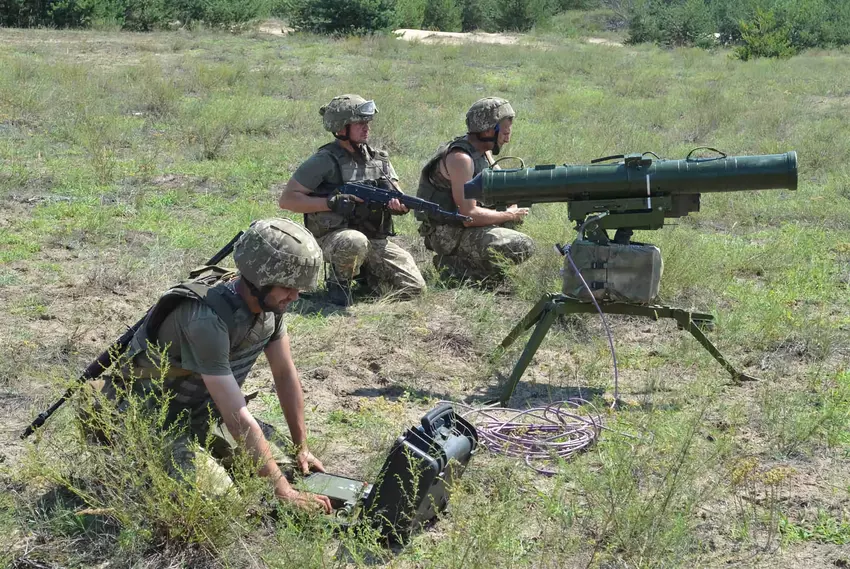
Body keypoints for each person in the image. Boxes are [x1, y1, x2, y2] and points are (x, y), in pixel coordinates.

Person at [88, 219, 332, 513]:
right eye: (287, 288)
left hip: (203, 414)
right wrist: (284, 493)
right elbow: (238, 418)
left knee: (289, 468)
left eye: (298, 289)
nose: (294, 297)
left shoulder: (270, 306)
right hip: (152, 418)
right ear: (259, 279)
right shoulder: (206, 319)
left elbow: (284, 373)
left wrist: (301, 446)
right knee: (222, 505)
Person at [278, 94, 426, 306]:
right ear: (341, 127)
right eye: (359, 123)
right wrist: (330, 203)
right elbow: (287, 200)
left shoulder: (379, 160)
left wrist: (398, 207)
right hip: (333, 238)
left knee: (414, 288)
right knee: (354, 241)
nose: (366, 128)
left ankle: (369, 276)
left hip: (374, 239)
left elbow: (398, 195)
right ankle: (338, 286)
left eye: (367, 123)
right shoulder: (324, 160)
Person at [416, 97, 535, 282]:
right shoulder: (461, 159)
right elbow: (468, 215)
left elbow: (502, 187)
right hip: (446, 232)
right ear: (488, 131)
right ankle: (455, 268)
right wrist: (510, 214)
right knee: (521, 244)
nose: (507, 138)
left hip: (462, 223)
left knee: (513, 224)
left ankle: (477, 266)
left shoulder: (482, 151)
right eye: (504, 133)